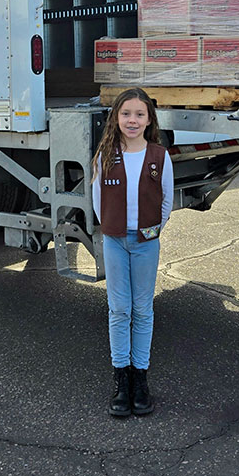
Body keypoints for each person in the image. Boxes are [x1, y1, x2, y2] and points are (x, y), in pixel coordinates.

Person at [91, 87, 174, 417]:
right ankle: (121, 379)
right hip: (114, 240)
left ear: (149, 119)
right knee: (119, 308)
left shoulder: (159, 156)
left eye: (140, 114)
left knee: (142, 308)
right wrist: (114, 227)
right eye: (126, 114)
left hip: (145, 243)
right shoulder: (105, 155)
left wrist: (152, 230)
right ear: (116, 118)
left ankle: (140, 378)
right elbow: (98, 201)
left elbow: (166, 201)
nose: (132, 120)